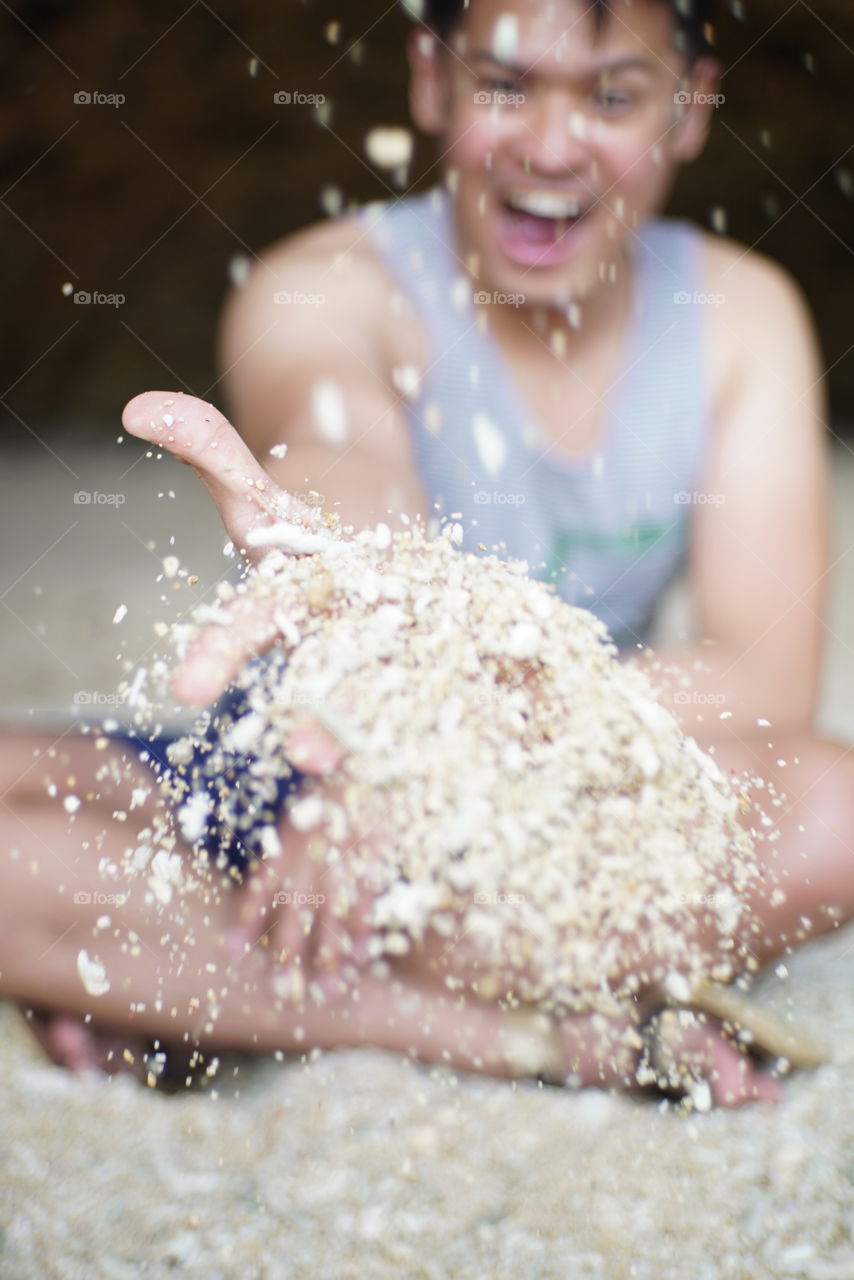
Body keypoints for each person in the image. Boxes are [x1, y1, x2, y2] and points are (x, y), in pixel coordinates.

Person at [2, 0, 849, 1105]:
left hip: (561, 800)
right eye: (503, 85)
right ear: (430, 79)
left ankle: (199, 981)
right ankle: (522, 1032)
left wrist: (445, 752)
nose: (552, 148)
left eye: (611, 96)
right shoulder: (321, 283)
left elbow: (760, 676)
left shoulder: (738, 316)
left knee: (833, 810)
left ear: (689, 109)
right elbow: (344, 457)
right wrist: (351, 612)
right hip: (309, 768)